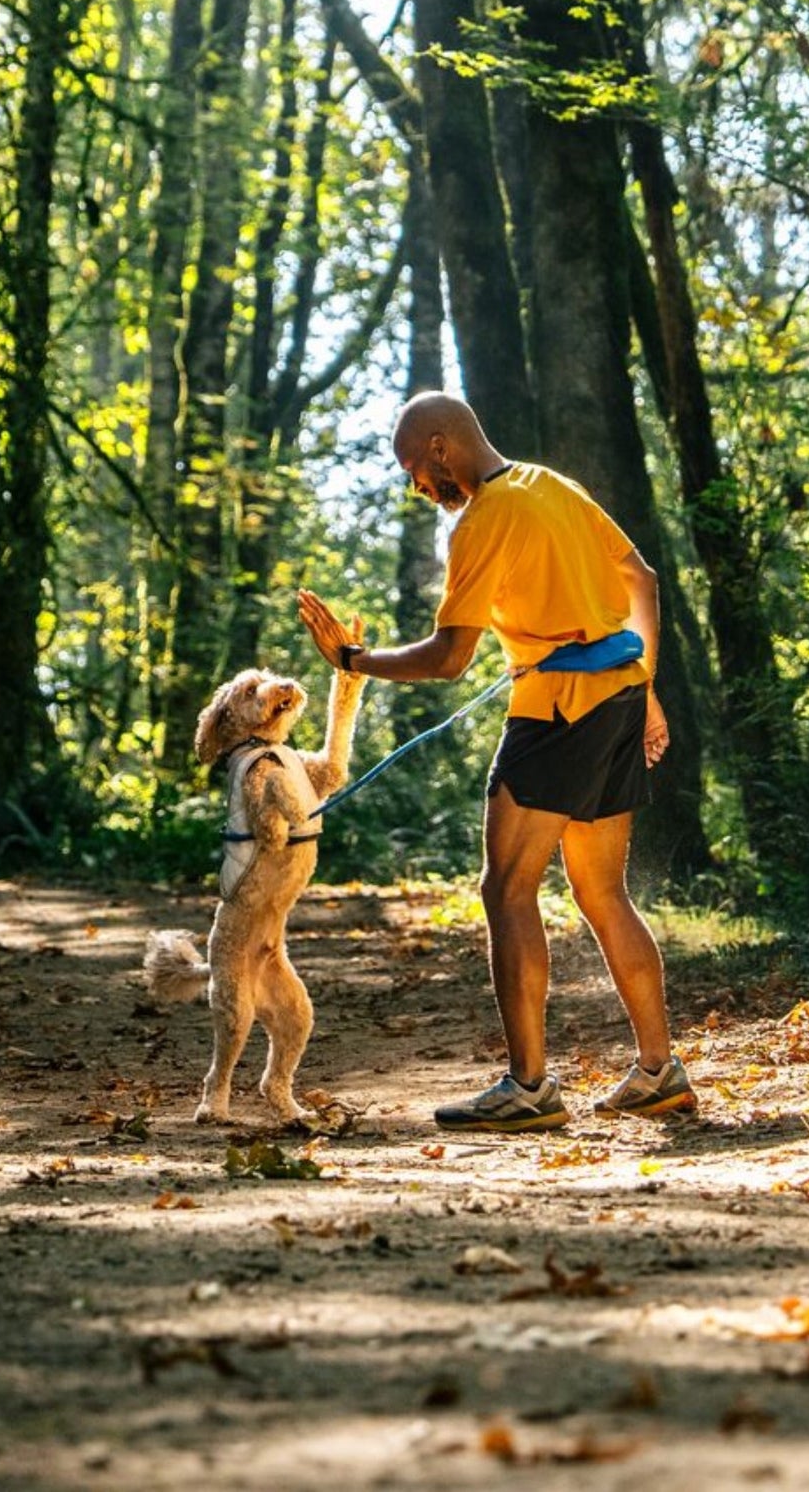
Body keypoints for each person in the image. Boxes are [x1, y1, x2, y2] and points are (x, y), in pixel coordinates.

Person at [297, 391, 697, 1134]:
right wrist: (645, 686)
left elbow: (450, 659)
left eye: (414, 468)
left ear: (442, 445)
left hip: (555, 713)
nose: (418, 486)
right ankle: (658, 1070)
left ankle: (530, 1086)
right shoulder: (554, 486)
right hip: (615, 701)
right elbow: (641, 578)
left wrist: (351, 659)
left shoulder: (483, 520)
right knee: (603, 893)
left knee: (506, 888)